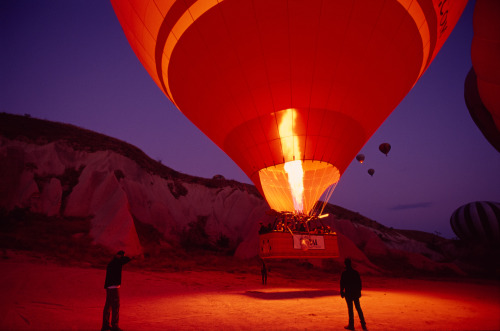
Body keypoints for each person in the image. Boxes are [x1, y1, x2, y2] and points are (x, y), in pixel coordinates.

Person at [101, 250, 132, 331]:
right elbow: (126, 259)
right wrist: (130, 255)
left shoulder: (112, 262)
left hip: (109, 287)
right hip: (113, 287)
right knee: (116, 306)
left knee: (108, 306)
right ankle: (114, 325)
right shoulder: (117, 262)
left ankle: (105, 325)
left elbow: (124, 260)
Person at [340, 258, 367, 330]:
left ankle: (351, 325)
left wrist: (342, 292)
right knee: (358, 308)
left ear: (345, 264)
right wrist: (359, 292)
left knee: (350, 309)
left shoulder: (344, 273)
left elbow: (342, 284)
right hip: (355, 293)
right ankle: (363, 323)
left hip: (348, 293)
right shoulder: (355, 273)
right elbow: (359, 283)